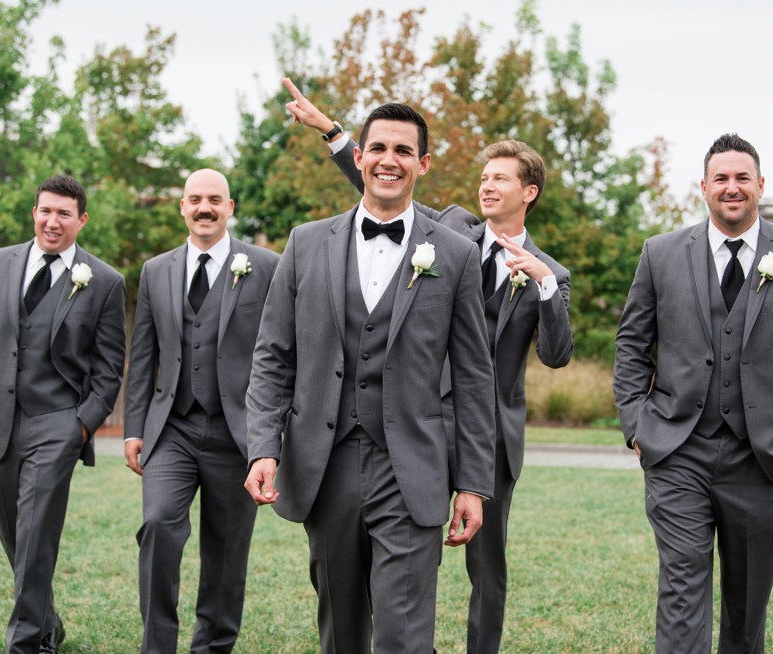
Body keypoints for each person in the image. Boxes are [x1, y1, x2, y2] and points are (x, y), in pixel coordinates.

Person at [281, 78, 574, 653]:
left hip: (484, 435)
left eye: (501, 180)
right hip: (409, 421)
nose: (487, 187)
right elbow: (386, 190)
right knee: (361, 584)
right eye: (484, 178)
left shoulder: (551, 274)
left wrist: (544, 289)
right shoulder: (453, 234)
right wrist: (336, 134)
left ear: (529, 193)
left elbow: (556, 355)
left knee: (485, 569)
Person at [244, 102, 496, 653]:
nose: (390, 160)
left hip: (412, 468)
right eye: (378, 148)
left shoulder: (453, 254)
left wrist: (474, 483)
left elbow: (475, 378)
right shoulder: (306, 243)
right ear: (358, 157)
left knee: (405, 637)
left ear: (423, 164)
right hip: (323, 462)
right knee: (341, 631)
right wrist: (264, 446)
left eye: (404, 150)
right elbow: (273, 355)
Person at [613, 133, 773, 653]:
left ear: (761, 185)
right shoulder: (661, 253)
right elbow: (631, 344)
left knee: (746, 608)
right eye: (721, 178)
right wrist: (637, 426)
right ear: (703, 187)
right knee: (680, 593)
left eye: (743, 178)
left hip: (764, 457)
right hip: (677, 450)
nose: (732, 187)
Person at [0, 175, 127, 654]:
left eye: (64, 213)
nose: (52, 221)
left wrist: (81, 424)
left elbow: (108, 370)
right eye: (46, 210)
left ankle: (25, 644)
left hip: (57, 422)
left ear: (81, 220)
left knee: (37, 529)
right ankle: (47, 622)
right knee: (16, 533)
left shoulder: (103, 281)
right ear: (34, 213)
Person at [123, 169, 280, 653]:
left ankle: (213, 646)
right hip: (172, 428)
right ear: (183, 208)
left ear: (230, 207)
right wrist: (133, 428)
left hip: (239, 434)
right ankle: (158, 645)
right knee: (158, 526)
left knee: (228, 551)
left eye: (215, 199)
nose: (204, 208)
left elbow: (280, 353)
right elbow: (143, 354)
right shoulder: (155, 270)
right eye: (195, 200)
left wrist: (269, 440)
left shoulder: (267, 267)